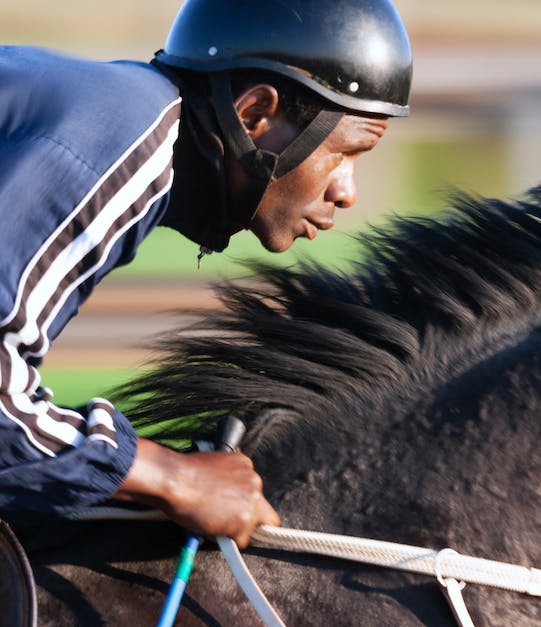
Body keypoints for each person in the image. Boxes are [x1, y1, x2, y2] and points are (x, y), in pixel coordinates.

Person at [0, 0, 413, 549]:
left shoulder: (119, 114)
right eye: (344, 152)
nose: (347, 191)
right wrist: (173, 478)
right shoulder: (121, 140)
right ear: (254, 116)